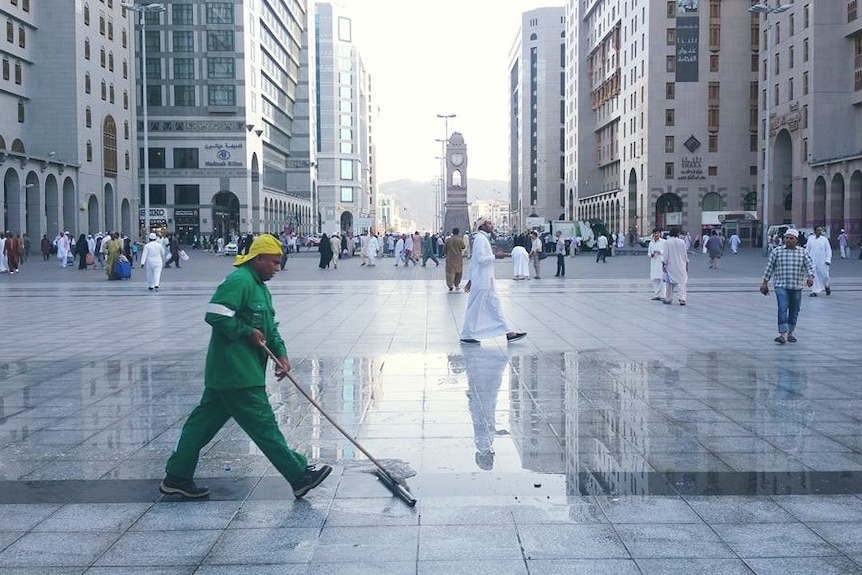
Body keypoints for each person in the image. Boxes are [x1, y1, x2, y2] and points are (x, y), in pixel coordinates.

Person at [161, 234, 331, 499]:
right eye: (274, 263)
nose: (277, 268)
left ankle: (176, 476)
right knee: (264, 426)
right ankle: (298, 475)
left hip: (233, 374)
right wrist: (245, 331)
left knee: (200, 426)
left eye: (279, 263)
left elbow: (269, 327)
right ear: (258, 259)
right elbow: (215, 314)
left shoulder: (260, 287)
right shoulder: (239, 281)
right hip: (236, 371)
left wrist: (282, 354)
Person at [459, 217, 526, 345]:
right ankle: (467, 335)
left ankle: (508, 333)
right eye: (489, 223)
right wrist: (495, 256)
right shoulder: (480, 239)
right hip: (482, 281)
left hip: (486, 281)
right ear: (482, 226)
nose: (492, 225)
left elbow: (474, 262)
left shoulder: (483, 238)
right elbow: (480, 259)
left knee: (495, 307)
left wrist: (471, 279)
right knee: (475, 308)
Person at [760, 228, 815, 344]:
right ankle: (783, 334)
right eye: (787, 238)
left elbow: (809, 265)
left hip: (796, 286)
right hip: (781, 285)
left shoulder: (802, 252)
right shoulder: (777, 251)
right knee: (782, 307)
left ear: (796, 240)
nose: (788, 240)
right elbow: (769, 268)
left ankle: (790, 333)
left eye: (791, 238)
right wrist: (764, 283)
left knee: (795, 310)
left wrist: (810, 277)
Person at [463, 345, 507, 471]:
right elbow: (486, 430)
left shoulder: (483, 446)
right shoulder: (484, 446)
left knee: (490, 383)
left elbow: (483, 427)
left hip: (483, 407)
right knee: (489, 383)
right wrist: (497, 432)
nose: (493, 458)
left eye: (490, 461)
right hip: (483, 408)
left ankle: (492, 361)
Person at [662, 228, 689, 305]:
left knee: (669, 284)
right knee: (682, 283)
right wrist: (686, 264)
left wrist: (664, 264)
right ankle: (682, 299)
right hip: (681, 265)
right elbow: (685, 254)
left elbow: (665, 255)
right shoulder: (682, 242)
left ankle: (668, 299)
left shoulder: (667, 242)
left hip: (671, 265)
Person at [805, 226, 832, 296]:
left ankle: (826, 285)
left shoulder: (824, 240)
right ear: (815, 231)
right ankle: (814, 291)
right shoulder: (810, 239)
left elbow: (828, 250)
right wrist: (806, 259)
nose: (820, 232)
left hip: (823, 261)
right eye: (818, 230)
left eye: (821, 230)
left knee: (825, 275)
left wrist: (828, 259)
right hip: (812, 261)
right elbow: (807, 250)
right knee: (814, 275)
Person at [647, 228, 666, 301]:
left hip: (661, 261)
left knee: (662, 279)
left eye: (658, 233)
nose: (656, 235)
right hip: (654, 262)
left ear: (660, 234)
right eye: (655, 233)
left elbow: (666, 251)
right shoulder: (651, 243)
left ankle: (663, 295)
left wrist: (660, 251)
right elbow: (649, 253)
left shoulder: (664, 242)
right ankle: (656, 294)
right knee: (655, 279)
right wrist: (651, 254)